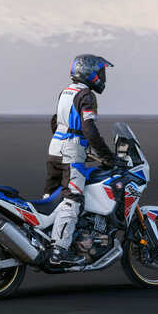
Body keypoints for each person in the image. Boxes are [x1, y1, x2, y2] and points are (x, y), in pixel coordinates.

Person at [45, 54, 116, 266]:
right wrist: (106, 156)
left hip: (55, 148)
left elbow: (55, 121)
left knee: (52, 197)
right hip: (70, 153)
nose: (102, 77)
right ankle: (59, 250)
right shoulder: (86, 95)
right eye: (100, 72)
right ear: (89, 73)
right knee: (73, 199)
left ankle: (44, 237)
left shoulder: (66, 92)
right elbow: (89, 129)